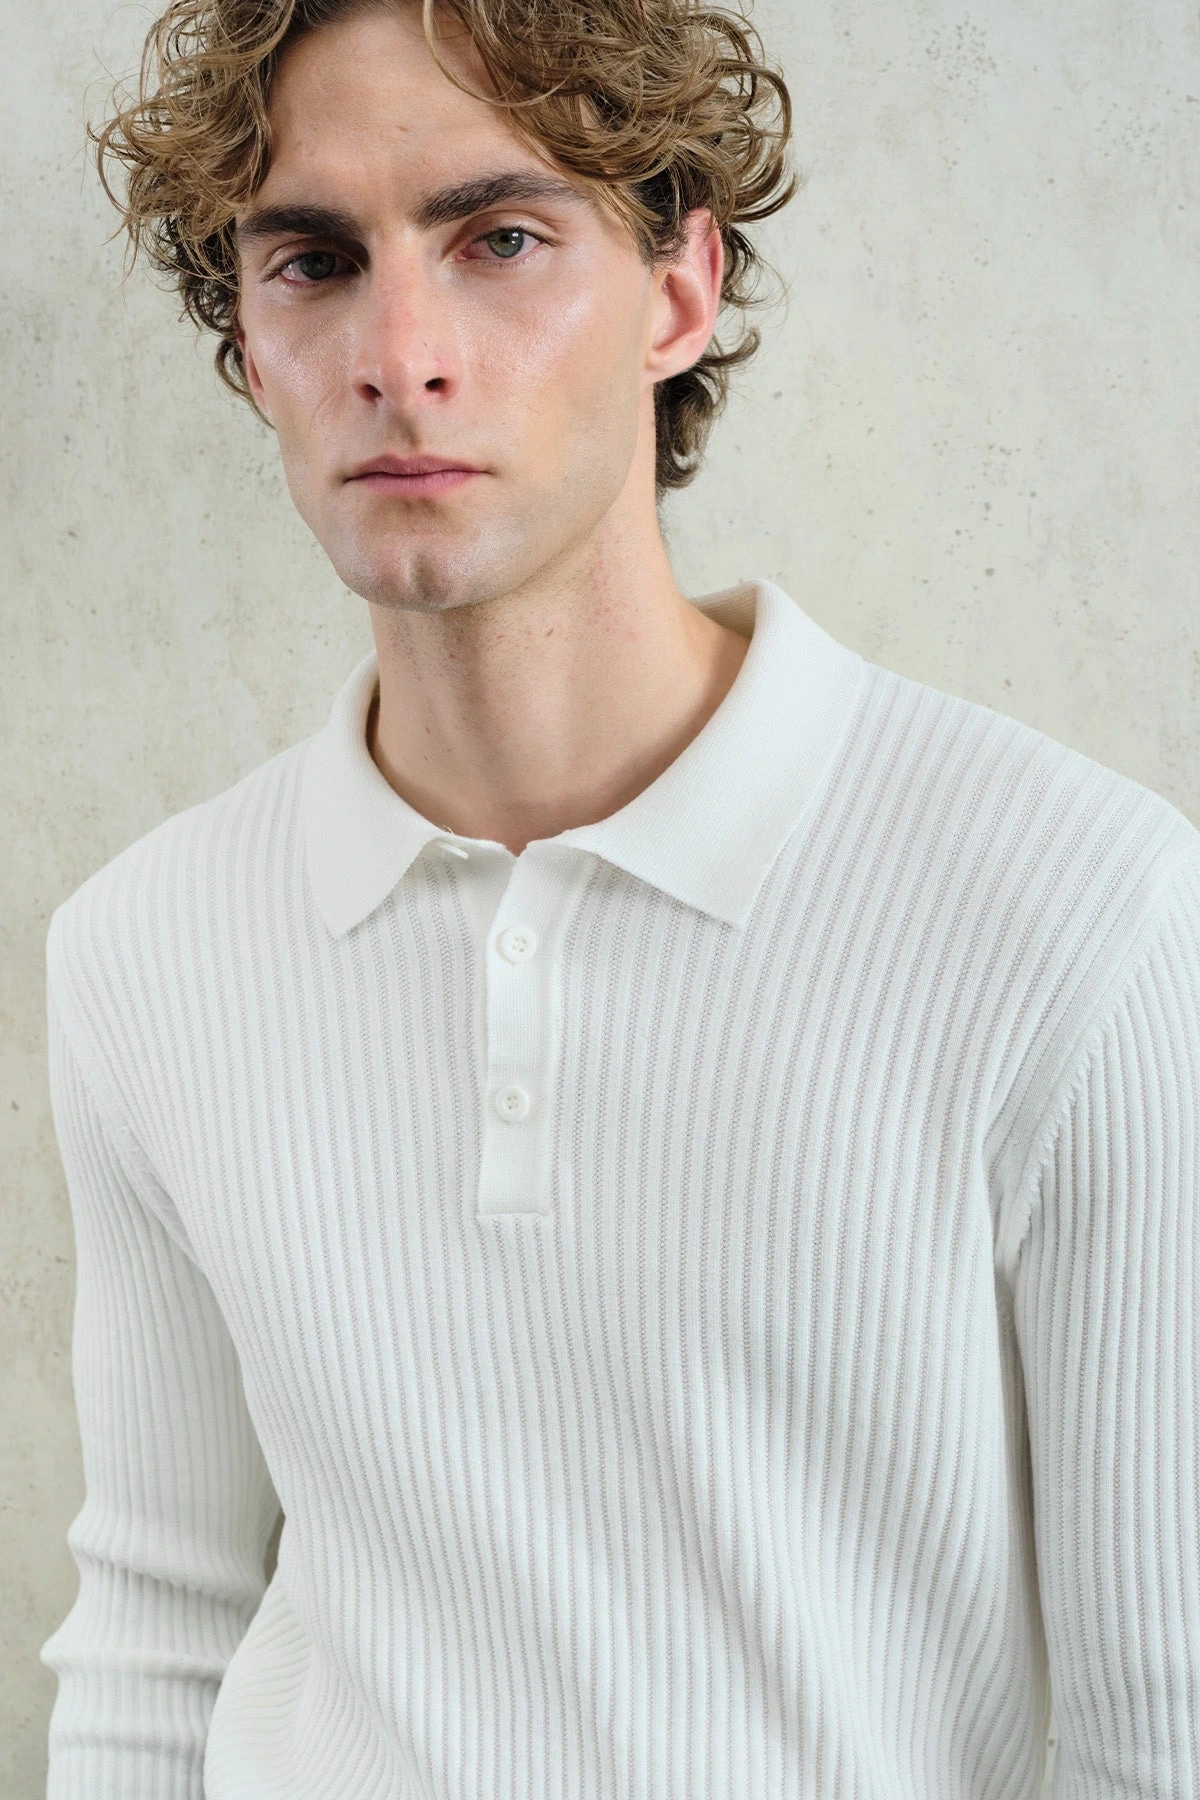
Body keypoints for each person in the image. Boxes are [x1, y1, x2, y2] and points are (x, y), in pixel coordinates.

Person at [39, 1, 1200, 1795]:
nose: (400, 355)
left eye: (500, 239)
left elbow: (1162, 1730)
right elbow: (156, 1631)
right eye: (315, 262)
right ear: (251, 344)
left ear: (678, 291)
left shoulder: (1080, 907)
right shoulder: (141, 953)